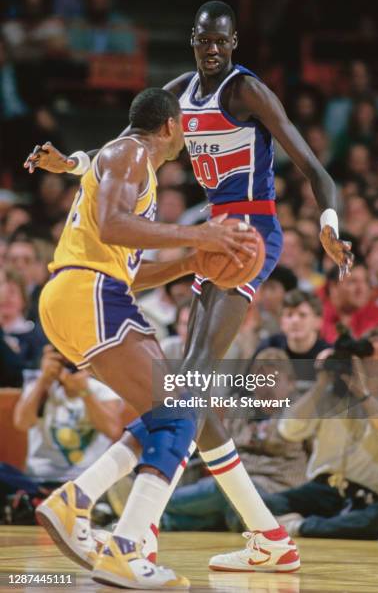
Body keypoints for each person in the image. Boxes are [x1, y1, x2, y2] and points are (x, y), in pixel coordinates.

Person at [25, 0, 352, 573]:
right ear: (193, 41)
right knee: (189, 389)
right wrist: (72, 163)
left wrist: (329, 225)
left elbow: (312, 167)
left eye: (222, 41)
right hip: (213, 231)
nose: (212, 49)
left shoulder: (247, 91)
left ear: (234, 43)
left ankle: (135, 530)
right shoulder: (177, 94)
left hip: (249, 232)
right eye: (204, 40)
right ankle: (269, 536)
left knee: (189, 384)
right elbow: (121, 145)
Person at [28, 87, 258, 590]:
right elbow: (114, 227)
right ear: (171, 126)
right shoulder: (131, 152)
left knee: (172, 410)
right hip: (87, 292)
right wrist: (199, 234)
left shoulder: (125, 163)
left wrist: (190, 263)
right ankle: (126, 549)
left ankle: (76, 501)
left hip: (83, 293)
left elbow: (127, 269)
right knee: (180, 410)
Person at [264, 327, 378, 541]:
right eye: (367, 353)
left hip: (363, 497)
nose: (372, 360)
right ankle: (328, 527)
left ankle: (301, 527)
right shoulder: (330, 395)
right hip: (320, 490)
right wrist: (321, 383)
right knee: (262, 504)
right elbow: (289, 430)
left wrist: (362, 393)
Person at [162, 349, 308, 532]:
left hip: (277, 488)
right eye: (261, 380)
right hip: (239, 482)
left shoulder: (301, 414)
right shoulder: (238, 410)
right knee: (228, 505)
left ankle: (151, 503)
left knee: (223, 488)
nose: (267, 387)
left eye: (275, 380)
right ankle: (163, 519)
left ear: (291, 383)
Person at [0, 345, 121, 509]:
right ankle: (45, 498)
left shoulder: (101, 389)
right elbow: (21, 423)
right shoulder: (39, 385)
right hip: (38, 480)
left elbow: (112, 430)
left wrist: (84, 392)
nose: (67, 365)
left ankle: (40, 502)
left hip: (84, 480)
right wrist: (44, 380)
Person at [255, 289, 330, 387]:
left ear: (318, 321)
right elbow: (245, 389)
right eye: (289, 315)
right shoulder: (268, 347)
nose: (295, 320)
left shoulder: (328, 355)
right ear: (281, 321)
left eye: (302, 315)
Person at [320, 263, 378, 343]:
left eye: (366, 282)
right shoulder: (315, 316)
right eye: (353, 281)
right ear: (333, 287)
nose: (361, 289)